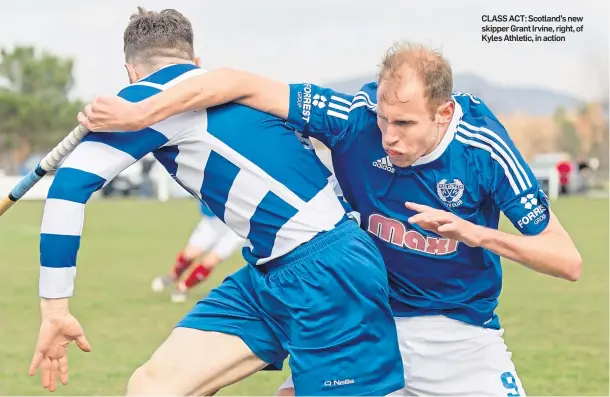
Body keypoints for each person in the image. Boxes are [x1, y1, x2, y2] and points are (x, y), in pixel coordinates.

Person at [81, 41, 583, 396]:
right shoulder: (355, 118)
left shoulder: (484, 150)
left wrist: (476, 233)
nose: (388, 136)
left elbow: (566, 260)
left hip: (458, 336)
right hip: (362, 317)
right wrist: (139, 114)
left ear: (444, 112)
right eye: (384, 119)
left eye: (405, 123)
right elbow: (235, 83)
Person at [28, 8, 404, 396]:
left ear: (131, 73)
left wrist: (55, 311)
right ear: (196, 61)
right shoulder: (227, 86)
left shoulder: (147, 97)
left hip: (328, 271)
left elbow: (67, 189)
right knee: (155, 388)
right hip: (270, 273)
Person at [151, 201, 244, 303]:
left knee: (211, 261)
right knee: (190, 254)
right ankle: (173, 276)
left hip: (238, 226)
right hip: (214, 220)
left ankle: (182, 288)